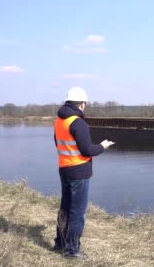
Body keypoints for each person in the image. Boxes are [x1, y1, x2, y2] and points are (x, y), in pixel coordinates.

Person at [53, 86, 114, 258]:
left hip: (64, 169)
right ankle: (72, 251)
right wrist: (103, 146)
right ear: (81, 104)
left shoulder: (59, 121)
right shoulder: (78, 123)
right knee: (77, 213)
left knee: (64, 209)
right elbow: (88, 150)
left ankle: (60, 244)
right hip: (79, 172)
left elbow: (59, 145)